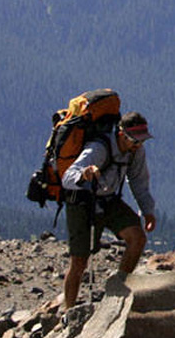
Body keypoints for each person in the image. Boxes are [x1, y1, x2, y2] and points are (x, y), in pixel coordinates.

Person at [61, 111, 156, 310]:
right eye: (134, 140)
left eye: (141, 141)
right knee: (79, 262)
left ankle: (117, 292)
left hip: (108, 200)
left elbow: (139, 182)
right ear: (121, 134)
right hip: (82, 202)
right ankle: (68, 312)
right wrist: (84, 174)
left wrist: (147, 211)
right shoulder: (98, 148)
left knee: (137, 238)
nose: (138, 145)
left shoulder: (135, 151)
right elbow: (67, 178)